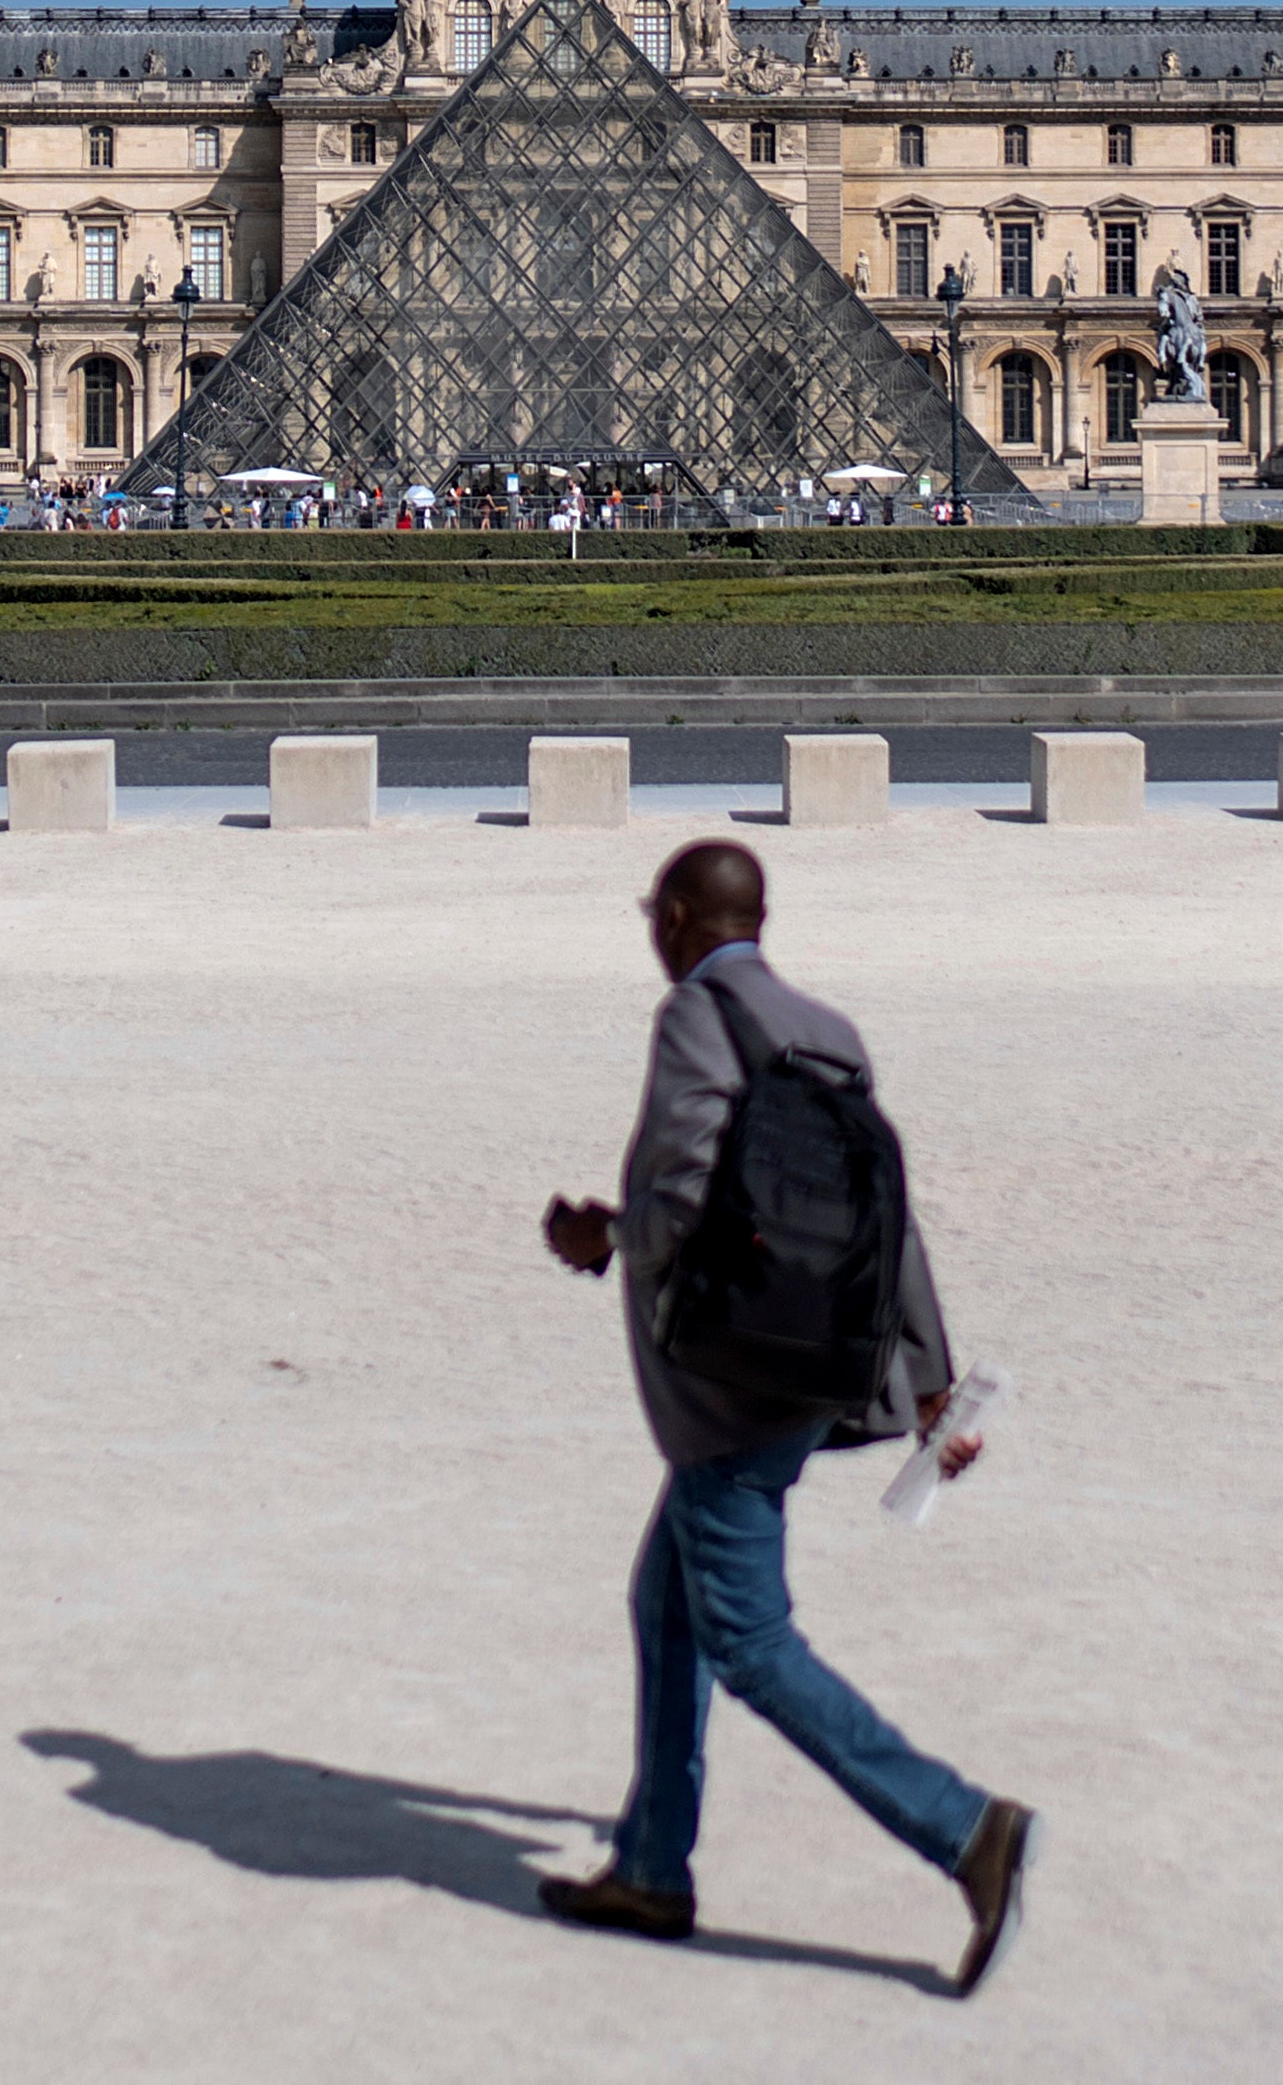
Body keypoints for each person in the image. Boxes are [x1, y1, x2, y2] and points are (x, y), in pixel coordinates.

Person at [536, 838, 1031, 1992]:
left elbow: (678, 1194)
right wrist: (925, 1389)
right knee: (665, 1604)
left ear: (673, 919)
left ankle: (966, 1831)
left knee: (750, 1641)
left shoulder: (695, 1020)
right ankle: (653, 1867)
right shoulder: (831, 1034)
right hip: (813, 1370)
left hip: (729, 1381)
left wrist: (599, 1234)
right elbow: (889, 1224)